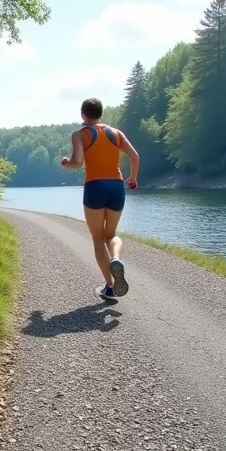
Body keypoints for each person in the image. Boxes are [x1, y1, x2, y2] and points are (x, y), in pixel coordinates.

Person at [60, 97, 139, 300]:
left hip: (95, 186)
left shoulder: (80, 135)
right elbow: (135, 156)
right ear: (101, 113)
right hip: (116, 186)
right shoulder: (116, 133)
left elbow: (77, 162)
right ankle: (116, 259)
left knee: (97, 238)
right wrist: (132, 178)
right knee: (111, 234)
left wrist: (66, 162)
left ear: (82, 114)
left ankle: (110, 286)